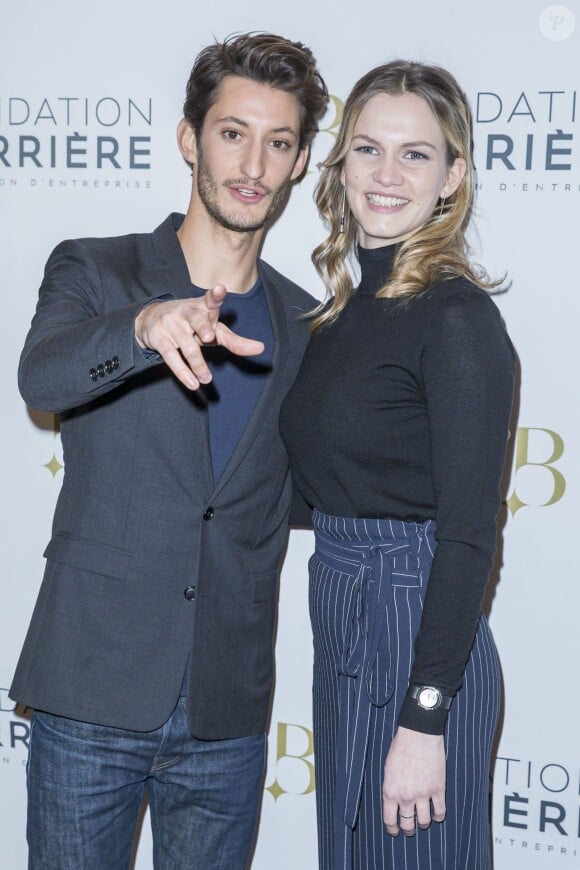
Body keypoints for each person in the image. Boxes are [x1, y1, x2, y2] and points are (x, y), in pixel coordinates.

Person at [11, 32, 328, 870]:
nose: (254, 160)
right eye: (233, 132)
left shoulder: (308, 326)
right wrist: (146, 326)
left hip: (228, 711)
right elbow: (41, 377)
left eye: (280, 140)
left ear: (300, 163)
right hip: (92, 688)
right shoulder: (98, 269)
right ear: (190, 139)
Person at [280, 60, 515, 869]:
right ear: (340, 162)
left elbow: (468, 533)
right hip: (343, 607)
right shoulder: (343, 312)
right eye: (368, 148)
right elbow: (330, 488)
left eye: (416, 155)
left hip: (414, 623)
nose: (386, 175)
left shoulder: (456, 318)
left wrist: (424, 718)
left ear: (453, 176)